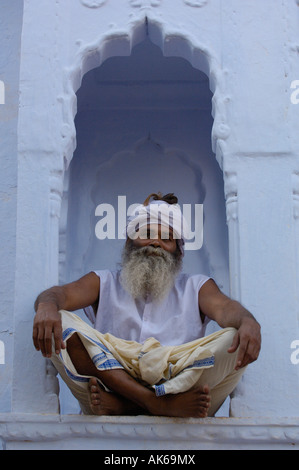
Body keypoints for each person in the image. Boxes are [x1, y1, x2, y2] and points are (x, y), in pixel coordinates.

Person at [33, 192, 261, 418]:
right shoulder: (103, 282)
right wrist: (46, 306)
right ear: (129, 241)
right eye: (147, 233)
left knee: (234, 337)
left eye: (166, 238)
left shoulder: (196, 286)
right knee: (60, 322)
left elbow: (225, 309)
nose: (155, 242)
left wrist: (247, 321)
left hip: (182, 386)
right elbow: (59, 295)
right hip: (110, 383)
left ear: (178, 251)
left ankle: (127, 405)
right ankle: (157, 404)